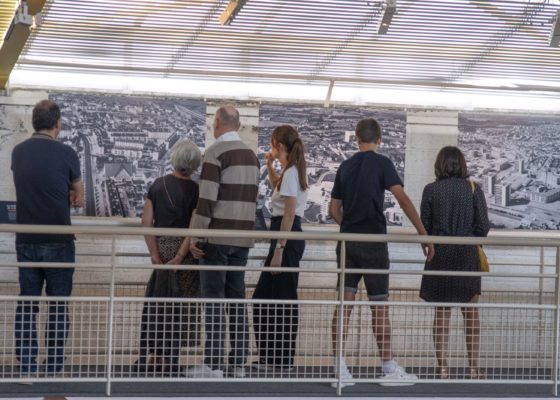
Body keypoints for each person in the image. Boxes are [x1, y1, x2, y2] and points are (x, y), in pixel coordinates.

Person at [329, 118, 434, 388]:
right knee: (379, 307)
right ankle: (388, 367)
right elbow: (403, 199)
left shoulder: (345, 166)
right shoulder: (383, 163)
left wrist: (349, 227)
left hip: (348, 243)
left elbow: (333, 210)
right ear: (380, 139)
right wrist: (423, 234)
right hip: (374, 243)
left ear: (356, 138)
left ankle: (340, 369)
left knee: (344, 306)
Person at [11, 99, 84, 379]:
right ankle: (52, 368)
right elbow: (79, 198)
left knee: (27, 303)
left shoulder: (18, 152)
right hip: (58, 239)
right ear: (57, 123)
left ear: (33, 122)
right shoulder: (67, 153)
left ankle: (27, 367)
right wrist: (69, 193)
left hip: (26, 239)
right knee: (58, 304)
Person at [186, 105, 260, 379]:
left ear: (216, 123)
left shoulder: (215, 153)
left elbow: (206, 200)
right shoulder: (252, 157)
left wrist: (197, 236)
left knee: (214, 302)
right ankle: (238, 362)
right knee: (237, 300)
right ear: (238, 125)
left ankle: (213, 364)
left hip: (216, 238)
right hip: (242, 239)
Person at [419, 146, 490, 379]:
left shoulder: (431, 190)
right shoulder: (473, 189)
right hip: (467, 256)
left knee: (442, 313)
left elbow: (425, 226)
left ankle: (442, 367)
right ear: (462, 164)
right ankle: (473, 367)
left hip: (439, 256)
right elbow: (483, 226)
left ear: (439, 164)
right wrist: (468, 240)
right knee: (470, 313)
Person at [136, 140, 201, 376]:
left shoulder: (157, 184)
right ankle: (171, 360)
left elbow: (147, 223)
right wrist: (180, 256)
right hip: (184, 254)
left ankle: (153, 357)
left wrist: (155, 253)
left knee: (158, 303)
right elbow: (193, 227)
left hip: (162, 247)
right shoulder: (196, 190)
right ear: (194, 164)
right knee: (180, 308)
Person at [252, 125, 308, 372]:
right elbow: (279, 189)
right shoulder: (290, 171)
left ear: (280, 146)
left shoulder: (292, 172)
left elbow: (289, 210)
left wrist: (279, 249)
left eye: (273, 145)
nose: (271, 149)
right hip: (286, 235)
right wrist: (270, 166)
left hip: (285, 236)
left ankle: (279, 360)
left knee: (278, 298)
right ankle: (273, 358)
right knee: (272, 297)